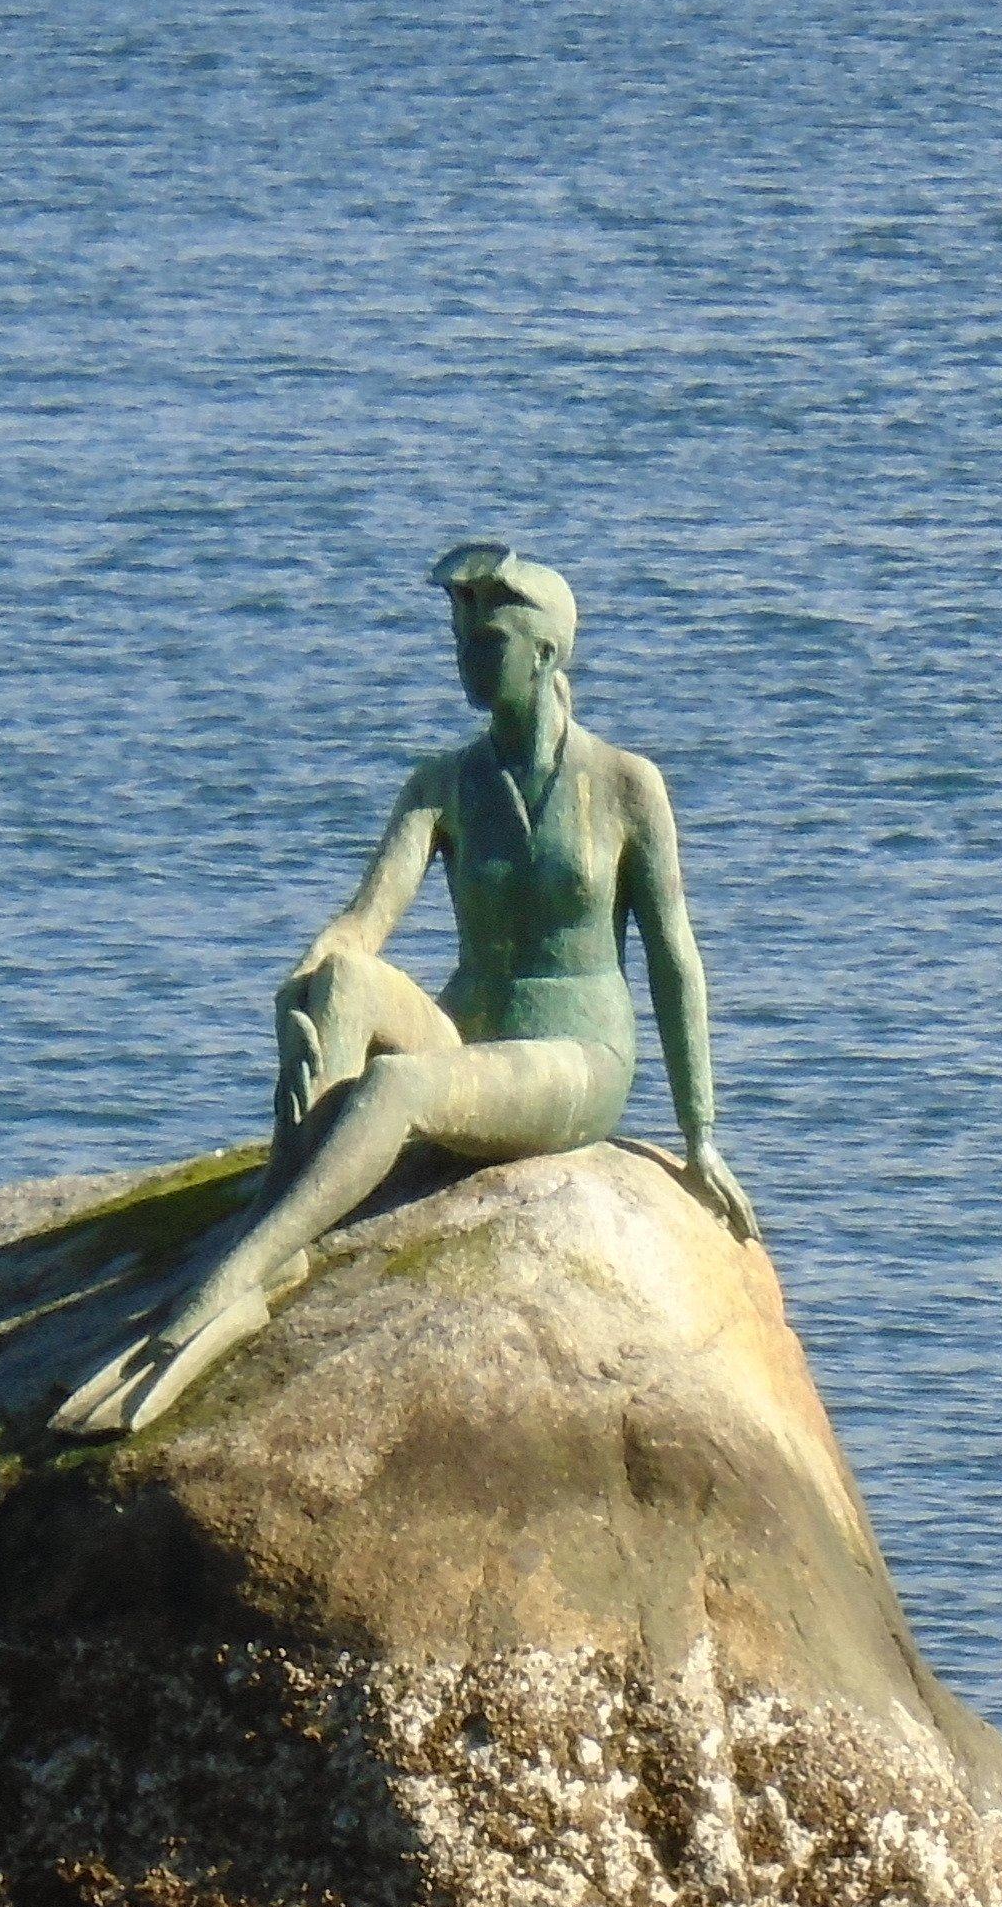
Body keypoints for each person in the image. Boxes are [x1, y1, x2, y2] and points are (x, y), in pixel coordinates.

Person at [49, 544, 758, 1440]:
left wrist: (700, 1134)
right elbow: (362, 924)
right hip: (470, 1035)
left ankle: (232, 1276)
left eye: (488, 640)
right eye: (458, 637)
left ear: (546, 652)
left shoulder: (623, 785)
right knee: (345, 983)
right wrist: (301, 989)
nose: (466, 656)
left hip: (577, 1056)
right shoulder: (443, 783)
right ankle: (280, 1233)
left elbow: (674, 959)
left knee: (399, 1086)